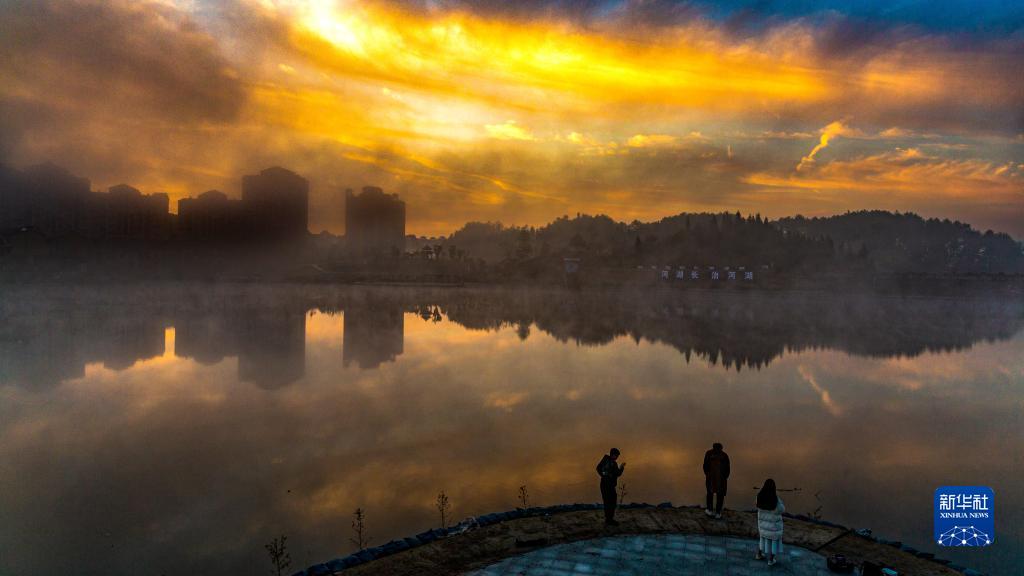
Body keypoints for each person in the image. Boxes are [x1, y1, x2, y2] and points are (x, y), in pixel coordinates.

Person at [756, 479, 785, 566]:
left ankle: (759, 554)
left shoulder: (759, 497)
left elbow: (757, 505)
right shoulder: (776, 500)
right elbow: (782, 509)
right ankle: (771, 560)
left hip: (763, 526)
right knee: (774, 542)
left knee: (763, 538)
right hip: (773, 527)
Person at [596, 448, 625, 525]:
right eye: (616, 455)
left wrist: (621, 468)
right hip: (605, 484)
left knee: (612, 501)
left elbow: (617, 473)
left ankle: (610, 519)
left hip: (610, 485)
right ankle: (608, 520)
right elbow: (598, 468)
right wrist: (604, 475)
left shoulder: (614, 463)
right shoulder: (606, 460)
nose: (617, 457)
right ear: (613, 454)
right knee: (608, 502)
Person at [702, 442, 730, 518]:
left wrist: (707, 474)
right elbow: (705, 466)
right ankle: (715, 511)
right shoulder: (722, 455)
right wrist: (708, 474)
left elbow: (705, 466)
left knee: (715, 494)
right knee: (714, 494)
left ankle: (714, 511)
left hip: (718, 479)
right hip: (714, 478)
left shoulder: (722, 455)